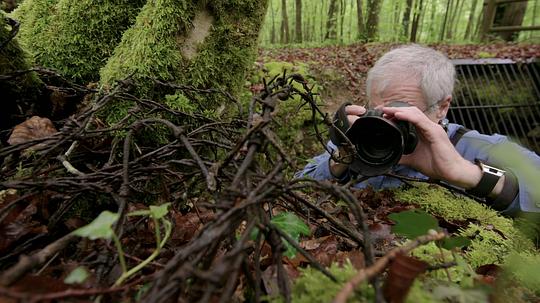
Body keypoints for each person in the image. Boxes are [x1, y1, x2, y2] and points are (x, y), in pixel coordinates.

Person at [297, 44, 540, 217]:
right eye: (377, 109)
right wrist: (341, 160)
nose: (387, 121)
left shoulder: (476, 147)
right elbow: (295, 189)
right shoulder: (364, 137)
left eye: (401, 111)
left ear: (442, 107)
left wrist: (469, 174)